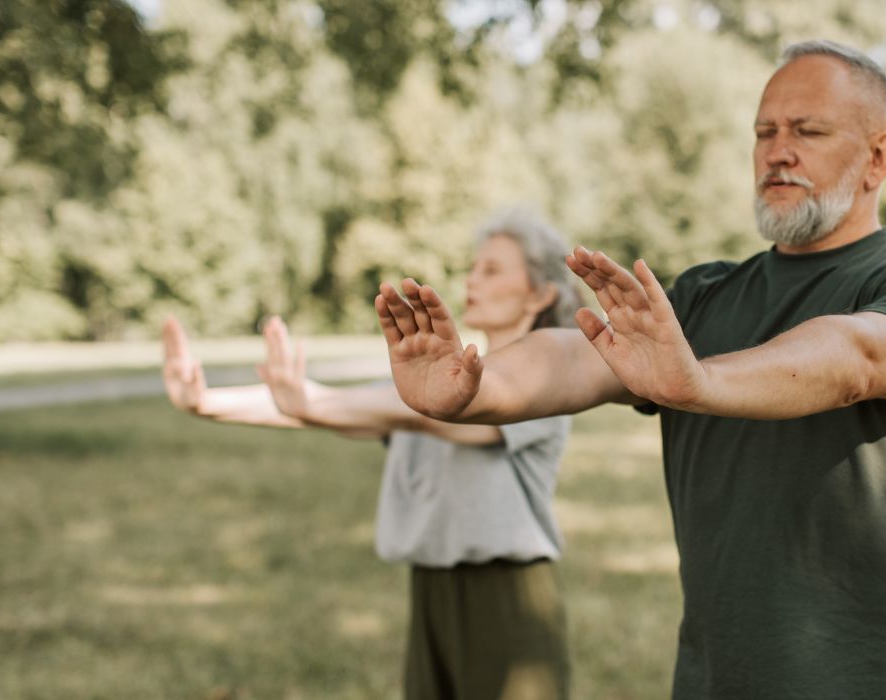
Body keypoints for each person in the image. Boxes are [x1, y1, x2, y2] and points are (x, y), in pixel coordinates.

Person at [373, 40, 886, 699]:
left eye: (808, 131)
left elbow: (859, 359)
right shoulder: (703, 297)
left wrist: (701, 384)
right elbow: (576, 354)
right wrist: (475, 389)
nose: (778, 150)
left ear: (878, 158)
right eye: (765, 132)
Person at [162, 209, 582, 700]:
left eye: (492, 270)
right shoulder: (427, 383)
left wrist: (311, 400)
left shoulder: (547, 382)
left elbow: (421, 414)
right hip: (430, 588)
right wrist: (205, 401)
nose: (472, 280)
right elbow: (345, 407)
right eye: (472, 268)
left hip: (507, 597)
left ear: (541, 293)